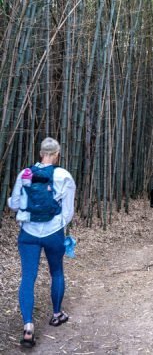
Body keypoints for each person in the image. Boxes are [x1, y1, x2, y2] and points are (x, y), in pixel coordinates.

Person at [8, 137, 76, 347]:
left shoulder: (25, 174)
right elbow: (68, 212)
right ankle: (56, 314)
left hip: (28, 233)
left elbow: (14, 204)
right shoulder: (63, 175)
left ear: (40, 153)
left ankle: (28, 326)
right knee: (56, 272)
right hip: (53, 232)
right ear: (57, 154)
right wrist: (57, 224)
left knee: (28, 276)